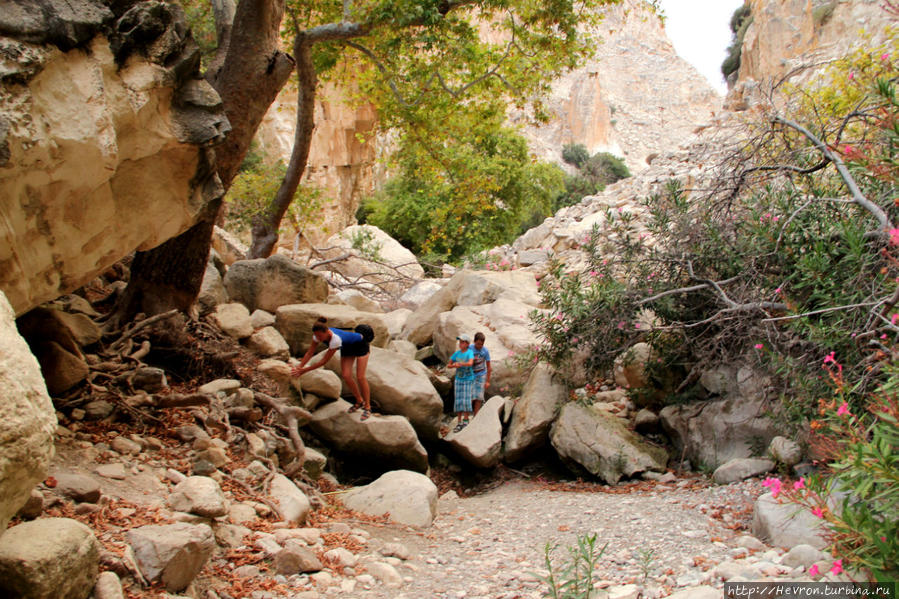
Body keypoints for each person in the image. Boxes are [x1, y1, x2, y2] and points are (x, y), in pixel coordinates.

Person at [291, 317, 373, 420]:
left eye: (320, 336)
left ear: (326, 332)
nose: (318, 339)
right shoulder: (317, 335)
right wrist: (299, 367)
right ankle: (359, 401)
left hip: (360, 345)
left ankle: (368, 407)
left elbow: (323, 361)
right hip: (347, 347)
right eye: (316, 336)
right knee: (346, 376)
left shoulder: (335, 340)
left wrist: (304, 371)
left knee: (360, 377)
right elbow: (310, 352)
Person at [448, 334, 476, 433]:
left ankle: (466, 420)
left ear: (467, 344)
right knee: (459, 400)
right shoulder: (457, 354)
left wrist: (460, 364)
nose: (460, 344)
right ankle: (459, 422)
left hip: (468, 379)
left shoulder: (469, 353)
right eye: (460, 342)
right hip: (459, 379)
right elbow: (449, 364)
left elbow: (470, 363)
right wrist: (453, 365)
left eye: (462, 342)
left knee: (466, 399)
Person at [471, 331, 492, 415]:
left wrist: (487, 381)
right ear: (474, 341)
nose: (479, 346)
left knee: (479, 397)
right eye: (478, 344)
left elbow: (489, 367)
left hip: (481, 375)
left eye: (481, 344)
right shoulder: (469, 349)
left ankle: (476, 416)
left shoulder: (485, 351)